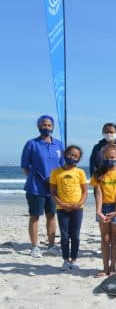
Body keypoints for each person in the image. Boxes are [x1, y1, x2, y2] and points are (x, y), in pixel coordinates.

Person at [21, 115, 64, 257]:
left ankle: (51, 246)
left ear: (53, 127)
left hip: (53, 188)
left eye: (49, 125)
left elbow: (63, 166)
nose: (47, 128)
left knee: (51, 216)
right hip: (35, 188)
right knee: (35, 216)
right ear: (39, 127)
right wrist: (35, 179)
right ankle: (35, 247)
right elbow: (25, 166)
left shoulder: (58, 144)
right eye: (44, 125)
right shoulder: (32, 144)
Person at [91, 144, 116, 277]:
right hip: (103, 206)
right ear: (103, 158)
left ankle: (113, 267)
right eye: (107, 157)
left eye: (112, 157)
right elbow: (98, 193)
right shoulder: (98, 174)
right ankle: (105, 267)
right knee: (105, 237)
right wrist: (98, 211)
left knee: (115, 237)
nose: (110, 160)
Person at [49, 145, 87, 270]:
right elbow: (53, 192)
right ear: (65, 154)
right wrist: (62, 204)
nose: (72, 157)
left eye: (75, 156)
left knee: (75, 236)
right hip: (62, 209)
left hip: (77, 208)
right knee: (64, 236)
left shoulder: (80, 172)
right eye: (70, 154)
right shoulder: (56, 172)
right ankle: (65, 259)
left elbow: (85, 191)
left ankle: (74, 259)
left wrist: (79, 203)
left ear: (79, 159)